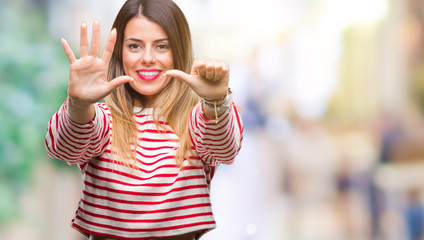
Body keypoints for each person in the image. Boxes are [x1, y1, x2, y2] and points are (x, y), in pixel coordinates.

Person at [44, 0, 244, 239]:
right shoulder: (103, 121)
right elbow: (64, 148)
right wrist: (79, 104)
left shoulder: (197, 120)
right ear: (120, 52)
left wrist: (217, 102)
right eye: (135, 46)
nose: (148, 58)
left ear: (179, 51)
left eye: (161, 46)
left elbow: (226, 150)